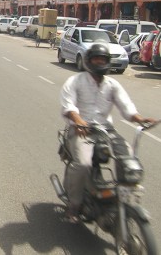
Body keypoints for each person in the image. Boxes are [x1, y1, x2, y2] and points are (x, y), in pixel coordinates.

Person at [60, 43, 155, 222]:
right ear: (89, 61)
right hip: (82, 130)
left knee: (129, 160)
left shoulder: (112, 84)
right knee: (83, 164)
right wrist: (79, 120)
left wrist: (140, 119)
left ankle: (123, 196)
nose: (100, 62)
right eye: (96, 59)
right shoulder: (75, 81)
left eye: (103, 59)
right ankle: (74, 205)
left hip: (106, 130)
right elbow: (68, 105)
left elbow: (127, 108)